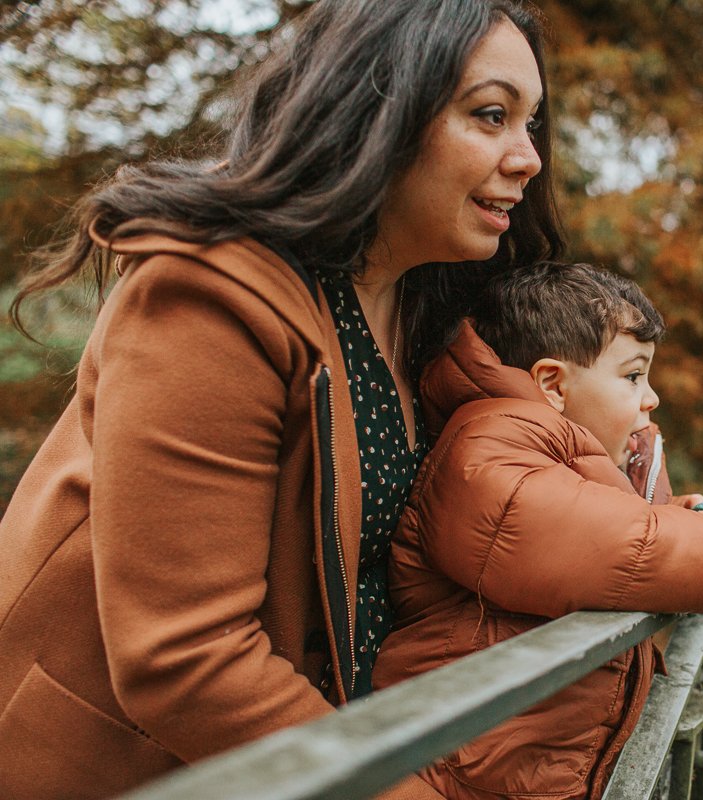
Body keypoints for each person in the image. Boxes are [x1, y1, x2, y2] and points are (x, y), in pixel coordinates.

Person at [0, 1, 560, 798]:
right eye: (492, 115)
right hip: (140, 771)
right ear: (380, 112)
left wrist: (642, 486)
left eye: (531, 125)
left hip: (325, 758)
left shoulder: (424, 310)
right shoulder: (210, 296)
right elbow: (186, 660)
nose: (528, 157)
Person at [372, 262, 703, 800]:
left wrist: (687, 511)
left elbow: (614, 525)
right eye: (633, 375)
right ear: (552, 384)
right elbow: (691, 563)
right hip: (454, 780)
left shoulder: (547, 456)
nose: (651, 397)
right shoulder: (489, 456)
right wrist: (699, 537)